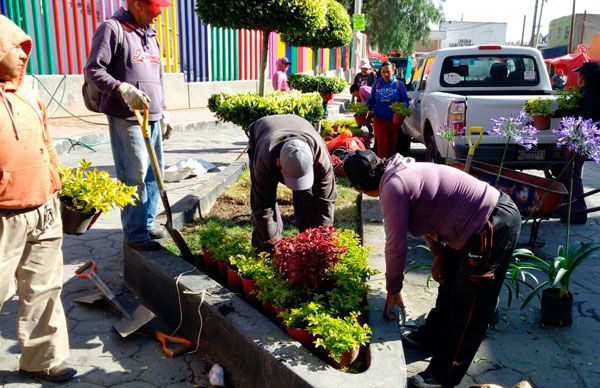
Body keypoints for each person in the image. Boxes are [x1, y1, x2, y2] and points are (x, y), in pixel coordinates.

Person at [343, 150, 521, 388]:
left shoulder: (393, 187)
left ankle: (442, 375)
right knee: (449, 280)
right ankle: (432, 336)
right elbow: (427, 214)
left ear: (361, 187)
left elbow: (395, 245)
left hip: (492, 223)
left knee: (469, 306)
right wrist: (438, 255)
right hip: (473, 223)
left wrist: (393, 288)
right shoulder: (397, 172)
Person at [0, 15, 76, 382]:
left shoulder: (28, 91)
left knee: (45, 288)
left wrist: (57, 185)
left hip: (43, 208)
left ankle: (42, 360)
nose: (23, 54)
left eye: (25, 46)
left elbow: (45, 140)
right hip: (3, 217)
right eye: (14, 47)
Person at [85, 0, 174, 250]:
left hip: (153, 116)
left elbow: (158, 76)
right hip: (127, 116)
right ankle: (135, 234)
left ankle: (147, 224)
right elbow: (93, 69)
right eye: (154, 8)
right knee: (134, 176)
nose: (158, 14)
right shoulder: (112, 29)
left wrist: (164, 109)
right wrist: (121, 88)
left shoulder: (150, 33)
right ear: (136, 4)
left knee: (154, 176)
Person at [248, 114, 337, 251]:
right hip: (263, 130)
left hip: (301, 125)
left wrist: (322, 240)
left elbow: (326, 201)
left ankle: (306, 239)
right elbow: (263, 207)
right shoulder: (263, 159)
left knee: (306, 196)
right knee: (263, 209)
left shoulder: (321, 160)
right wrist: (272, 246)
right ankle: (263, 247)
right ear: (278, 163)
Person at [552, 61, 600, 224]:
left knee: (572, 173)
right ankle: (573, 208)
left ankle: (577, 211)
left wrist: (558, 113)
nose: (578, 77)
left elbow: (581, 114)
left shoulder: (587, 92)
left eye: (580, 74)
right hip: (589, 137)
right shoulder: (595, 91)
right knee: (573, 172)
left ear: (585, 77)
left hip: (581, 137)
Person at [366, 60, 411, 158]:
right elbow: (371, 99)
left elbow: (405, 101)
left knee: (391, 144)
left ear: (393, 71)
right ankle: (380, 166)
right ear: (380, 72)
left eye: (388, 71)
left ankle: (390, 165)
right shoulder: (377, 83)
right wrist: (364, 109)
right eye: (383, 72)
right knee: (382, 142)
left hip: (394, 120)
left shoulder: (399, 84)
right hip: (379, 118)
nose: (386, 74)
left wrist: (400, 109)